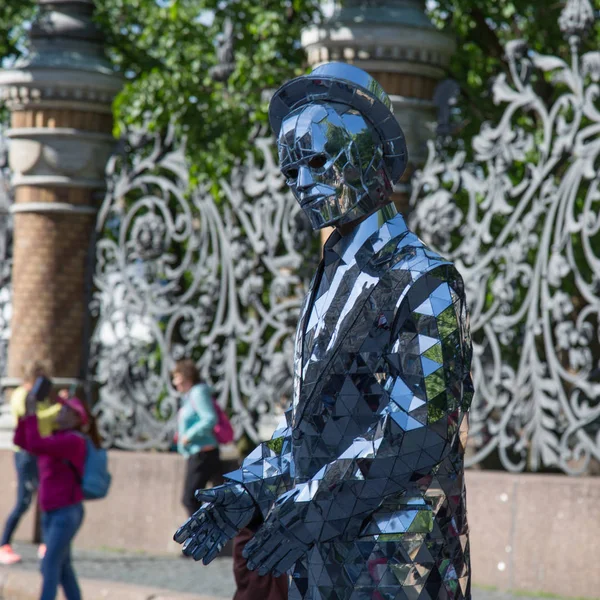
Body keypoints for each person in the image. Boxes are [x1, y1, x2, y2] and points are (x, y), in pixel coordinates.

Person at [175, 63, 473, 600]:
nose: (303, 185)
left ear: (366, 156)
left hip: (398, 567)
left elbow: (419, 430)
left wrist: (309, 512)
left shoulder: (427, 279)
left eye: (316, 162)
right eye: (292, 173)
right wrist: (247, 489)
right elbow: (310, 424)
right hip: (319, 568)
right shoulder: (330, 278)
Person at [13, 390, 97, 600]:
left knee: (49, 565)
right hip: (51, 513)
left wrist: (32, 413)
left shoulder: (73, 441)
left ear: (77, 418)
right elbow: (22, 442)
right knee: (63, 568)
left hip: (65, 513)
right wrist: (25, 416)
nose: (61, 410)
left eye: (67, 409)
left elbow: (35, 444)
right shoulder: (59, 437)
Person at [0, 360, 61, 566]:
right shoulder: (22, 396)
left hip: (41, 452)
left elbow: (47, 422)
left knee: (46, 498)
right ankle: (4, 544)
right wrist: (57, 409)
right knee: (23, 501)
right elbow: (32, 419)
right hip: (26, 453)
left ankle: (46, 544)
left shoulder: (39, 398)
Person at [172, 359, 222, 518]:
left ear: (187, 377)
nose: (174, 382)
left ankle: (199, 538)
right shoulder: (190, 395)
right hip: (197, 453)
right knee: (193, 499)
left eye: (177, 377)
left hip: (203, 454)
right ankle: (201, 537)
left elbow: (209, 418)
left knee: (190, 499)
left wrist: (189, 435)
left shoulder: (198, 392)